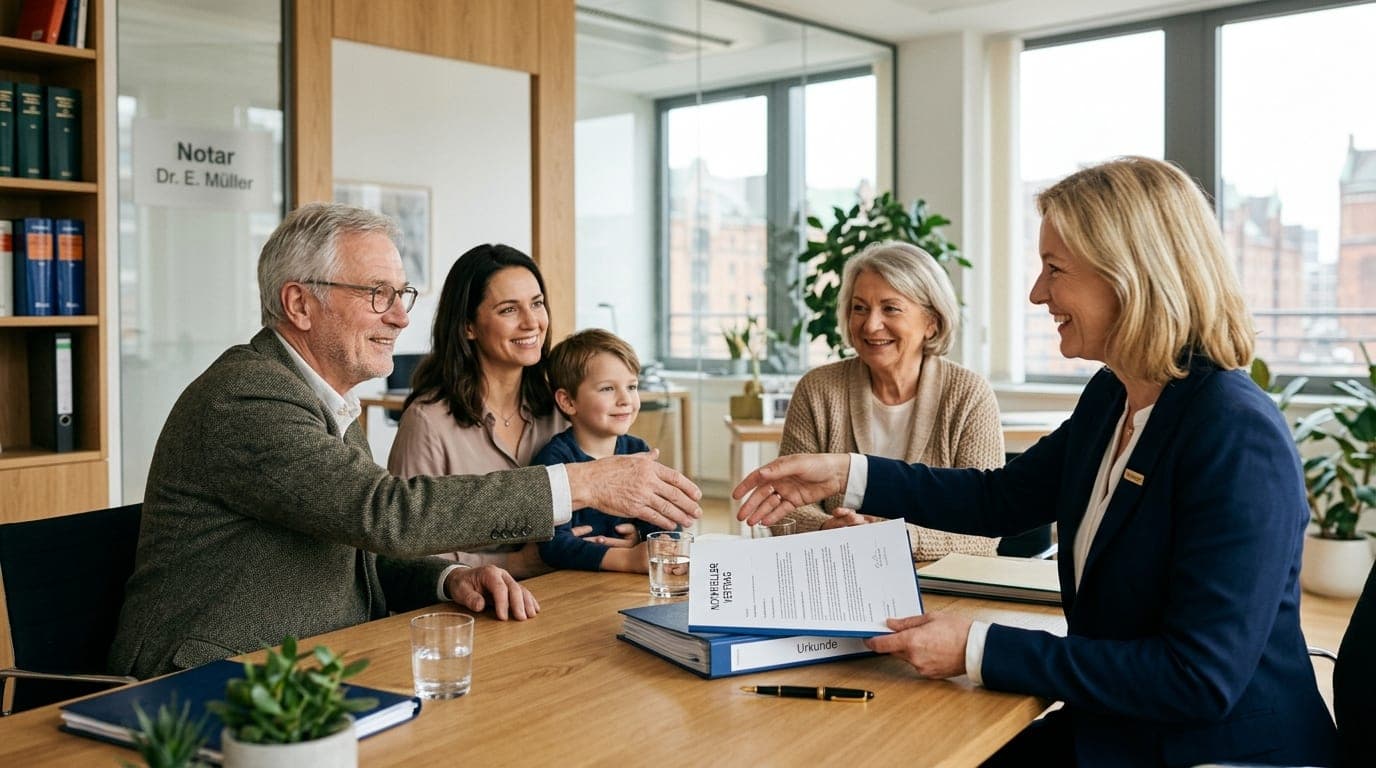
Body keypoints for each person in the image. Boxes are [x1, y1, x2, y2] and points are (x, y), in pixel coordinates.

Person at [733, 157, 1337, 766]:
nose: (1037, 292)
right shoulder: (1112, 397)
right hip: (1120, 725)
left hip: (1213, 750)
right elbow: (999, 498)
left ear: (1129, 276)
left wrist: (979, 647)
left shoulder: (1234, 433)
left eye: (1055, 269)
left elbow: (1197, 678)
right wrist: (847, 474)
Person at [109, 203, 700, 680]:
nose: (399, 317)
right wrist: (585, 480)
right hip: (210, 678)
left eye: (401, 294)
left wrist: (448, 580)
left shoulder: (324, 398)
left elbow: (364, 550)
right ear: (299, 303)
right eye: (376, 294)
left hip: (324, 664)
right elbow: (386, 514)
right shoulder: (249, 395)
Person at [780, 240, 1001, 560]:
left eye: (890, 308)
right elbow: (789, 504)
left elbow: (985, 532)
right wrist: (828, 529)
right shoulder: (818, 389)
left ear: (932, 321)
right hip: (838, 570)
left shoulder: (968, 395)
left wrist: (898, 539)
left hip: (939, 582)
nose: (870, 325)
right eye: (859, 308)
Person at [388, 244, 565, 578]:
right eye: (509, 310)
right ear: (468, 326)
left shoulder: (561, 408)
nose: (531, 323)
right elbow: (405, 547)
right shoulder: (427, 422)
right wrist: (512, 564)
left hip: (563, 595)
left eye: (537, 304)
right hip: (466, 611)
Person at [533, 329, 659, 573]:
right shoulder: (555, 461)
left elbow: (665, 522)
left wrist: (642, 536)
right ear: (568, 401)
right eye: (607, 389)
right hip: (572, 587)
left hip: (625, 586)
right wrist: (627, 559)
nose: (625, 399)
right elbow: (551, 546)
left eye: (632, 386)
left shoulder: (638, 451)